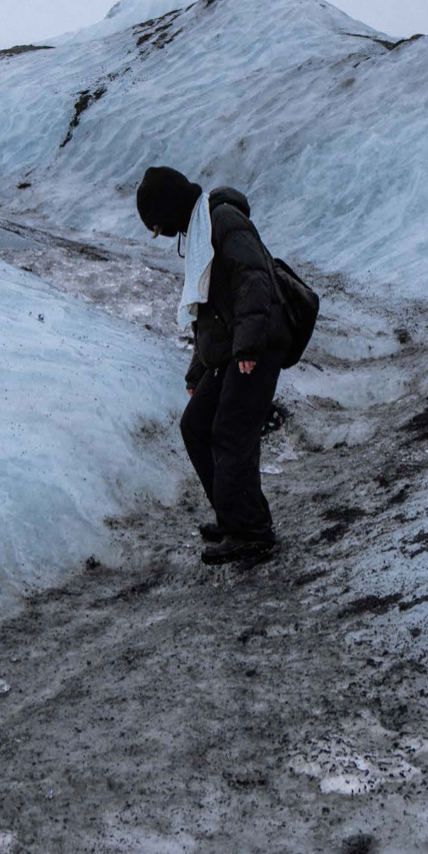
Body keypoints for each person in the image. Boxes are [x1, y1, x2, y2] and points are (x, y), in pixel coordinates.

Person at [135, 165, 291, 565]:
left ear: (169, 209)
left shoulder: (222, 221)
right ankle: (232, 515)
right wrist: (197, 370)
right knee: (196, 426)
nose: (159, 234)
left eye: (157, 226)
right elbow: (208, 314)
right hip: (236, 347)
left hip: (259, 344)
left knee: (230, 431)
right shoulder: (200, 231)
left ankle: (251, 532)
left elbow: (253, 279)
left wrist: (248, 347)